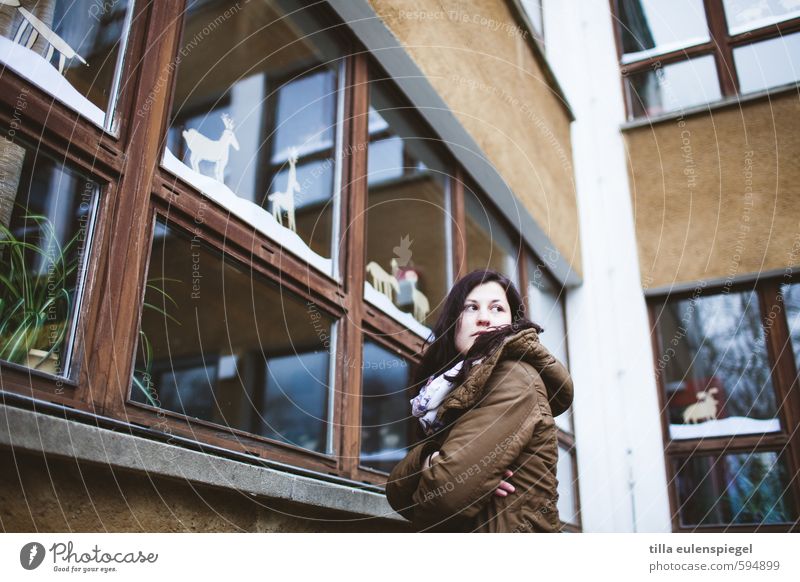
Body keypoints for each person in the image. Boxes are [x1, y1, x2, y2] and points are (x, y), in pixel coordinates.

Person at [386, 269, 573, 532]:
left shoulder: (512, 376)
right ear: (454, 321)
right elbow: (396, 496)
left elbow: (445, 494)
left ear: (512, 323)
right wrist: (429, 461)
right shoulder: (455, 391)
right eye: (471, 308)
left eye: (497, 309)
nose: (484, 318)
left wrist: (437, 468)